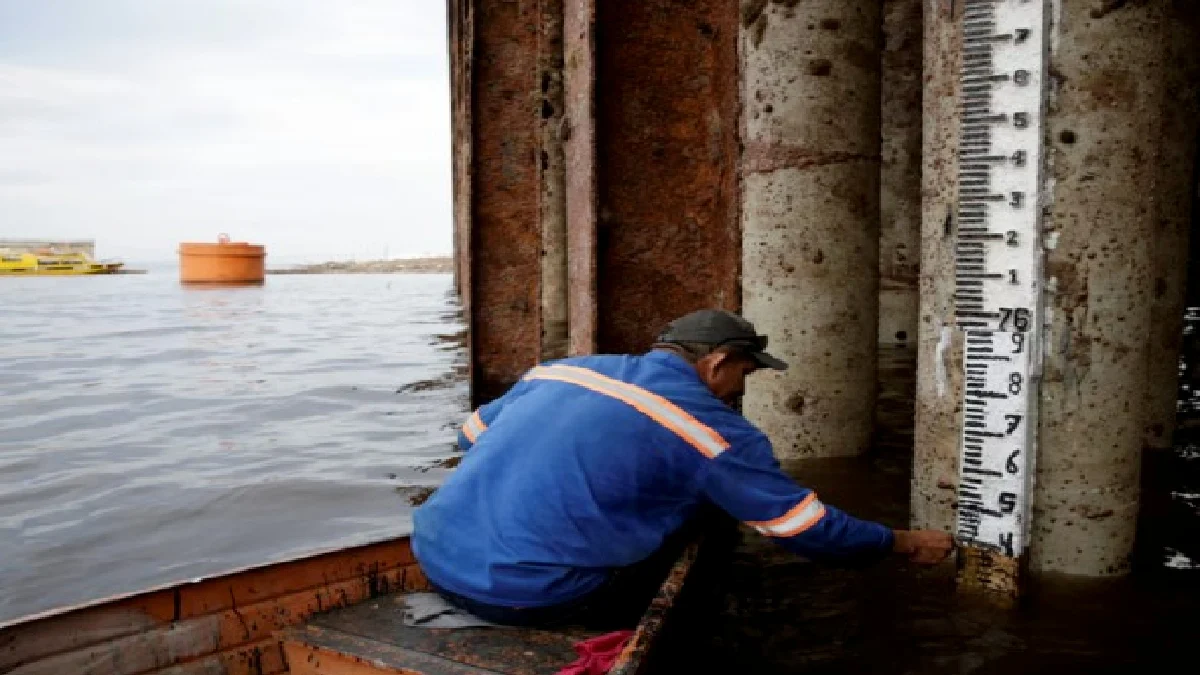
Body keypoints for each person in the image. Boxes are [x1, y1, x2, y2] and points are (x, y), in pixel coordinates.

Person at [412, 309, 954, 628]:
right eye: (744, 372)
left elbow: (471, 435)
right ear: (716, 363)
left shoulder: (562, 370)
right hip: (529, 598)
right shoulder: (714, 431)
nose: (742, 388)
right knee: (709, 513)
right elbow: (801, 528)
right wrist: (899, 543)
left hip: (435, 557)